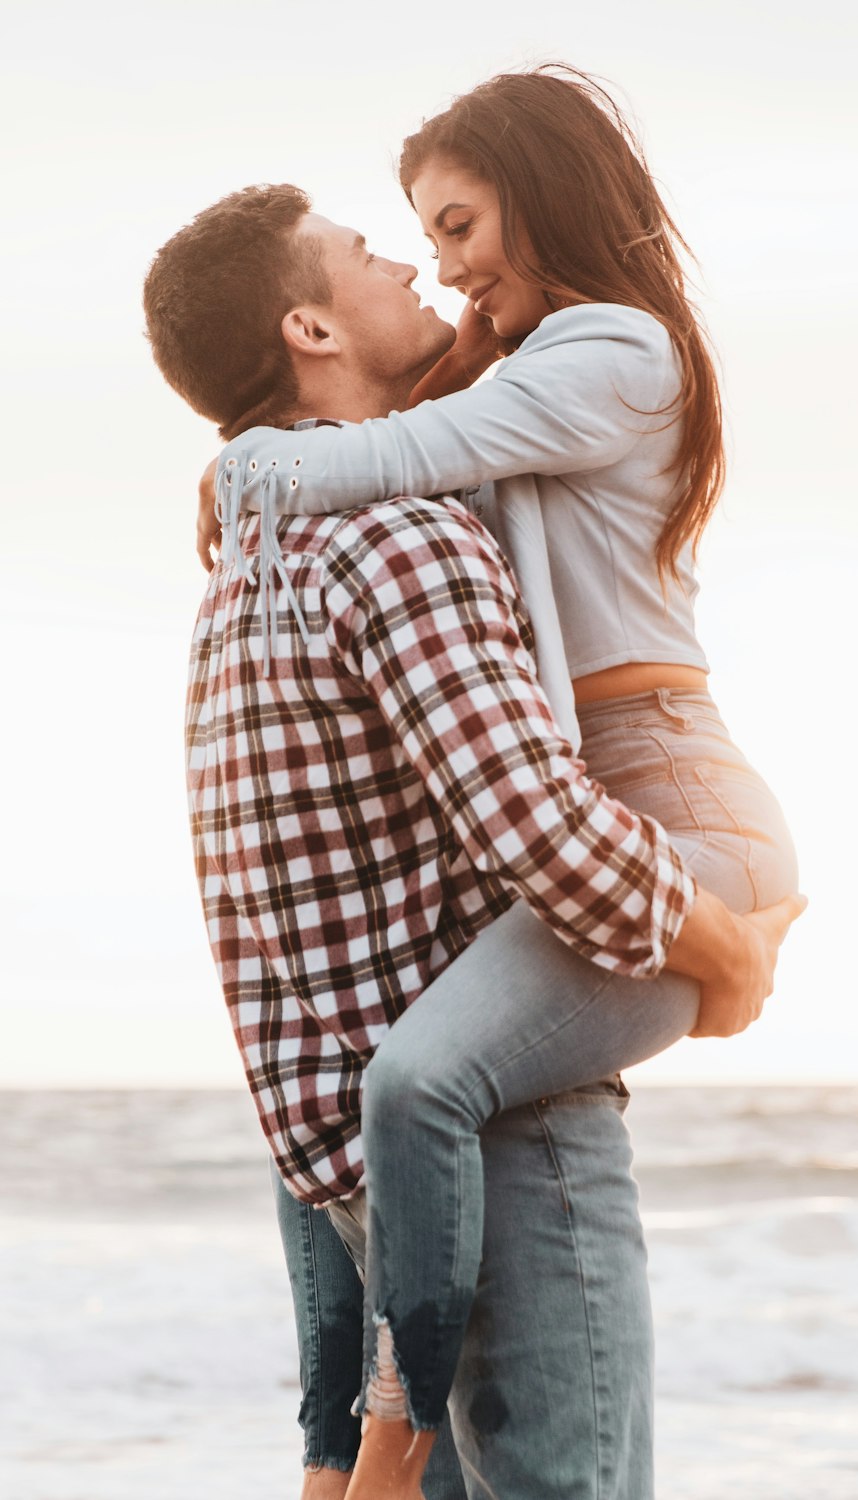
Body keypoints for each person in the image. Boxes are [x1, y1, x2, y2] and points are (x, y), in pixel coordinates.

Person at [146, 177, 801, 1499]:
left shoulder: (243, 581)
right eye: (371, 256)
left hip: (382, 1202)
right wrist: (721, 945)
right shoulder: (397, 532)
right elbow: (539, 824)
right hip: (517, 1159)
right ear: (311, 330)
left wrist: (338, 1421)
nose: (410, 274)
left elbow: (263, 950)